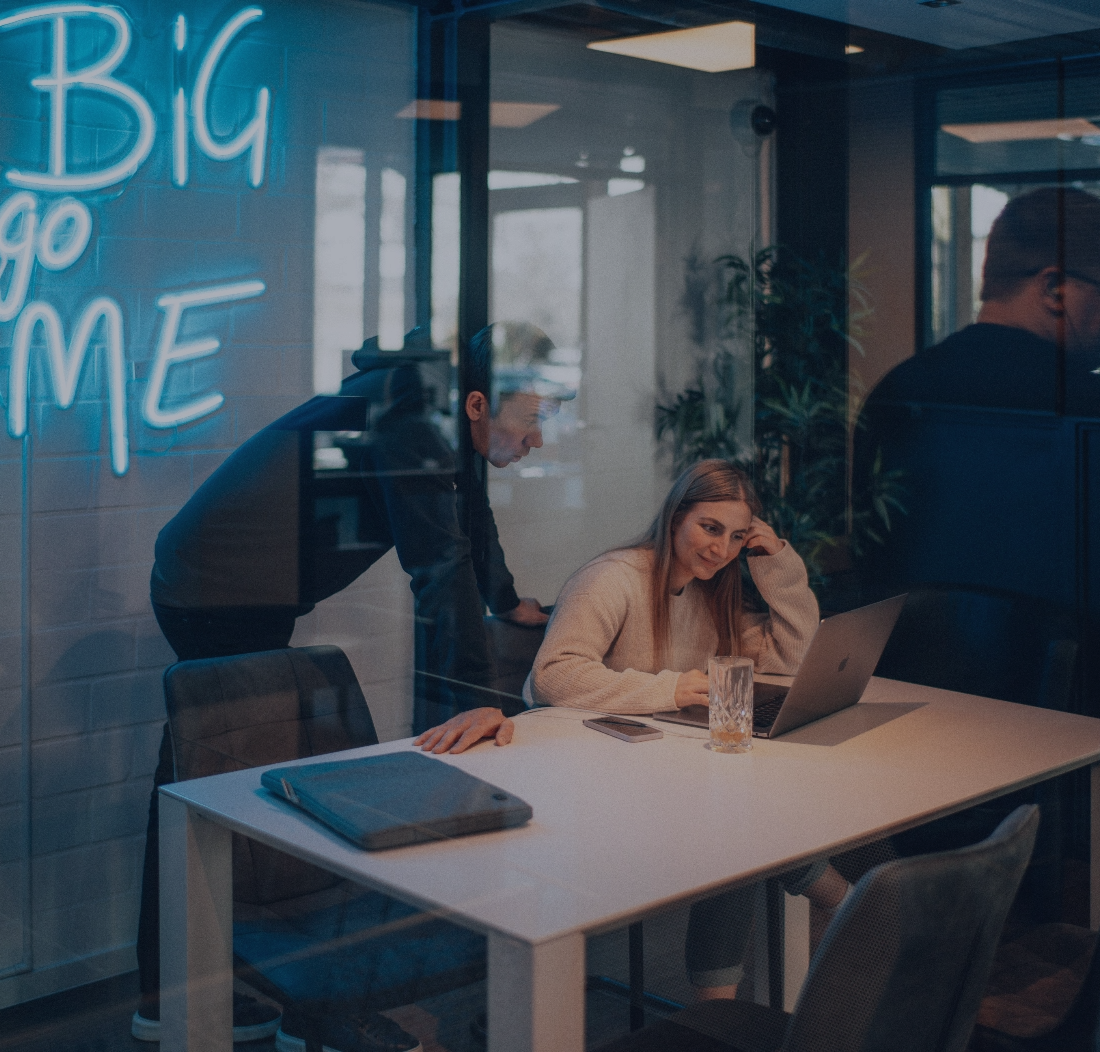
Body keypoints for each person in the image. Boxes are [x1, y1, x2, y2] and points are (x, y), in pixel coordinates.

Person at [133, 323, 560, 1045]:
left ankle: (226, 993)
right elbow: (436, 563)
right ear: (480, 405)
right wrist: (480, 699)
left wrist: (506, 602)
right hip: (216, 589)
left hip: (233, 585)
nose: (538, 438)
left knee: (219, 785)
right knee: (214, 789)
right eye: (533, 419)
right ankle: (209, 998)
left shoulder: (427, 410)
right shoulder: (412, 416)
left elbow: (465, 519)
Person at [417, 459, 852, 999]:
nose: (721, 549)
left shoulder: (711, 589)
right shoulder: (614, 578)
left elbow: (792, 658)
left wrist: (778, 565)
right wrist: (668, 690)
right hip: (586, 781)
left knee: (740, 824)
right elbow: (554, 677)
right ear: (675, 518)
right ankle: (819, 902)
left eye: (737, 537)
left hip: (652, 769)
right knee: (740, 827)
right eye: (709, 528)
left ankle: (719, 1003)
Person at [854, 186, 1100, 598]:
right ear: (1055, 288)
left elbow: (876, 561)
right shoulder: (1085, 407)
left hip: (904, 657)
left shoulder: (896, 391)